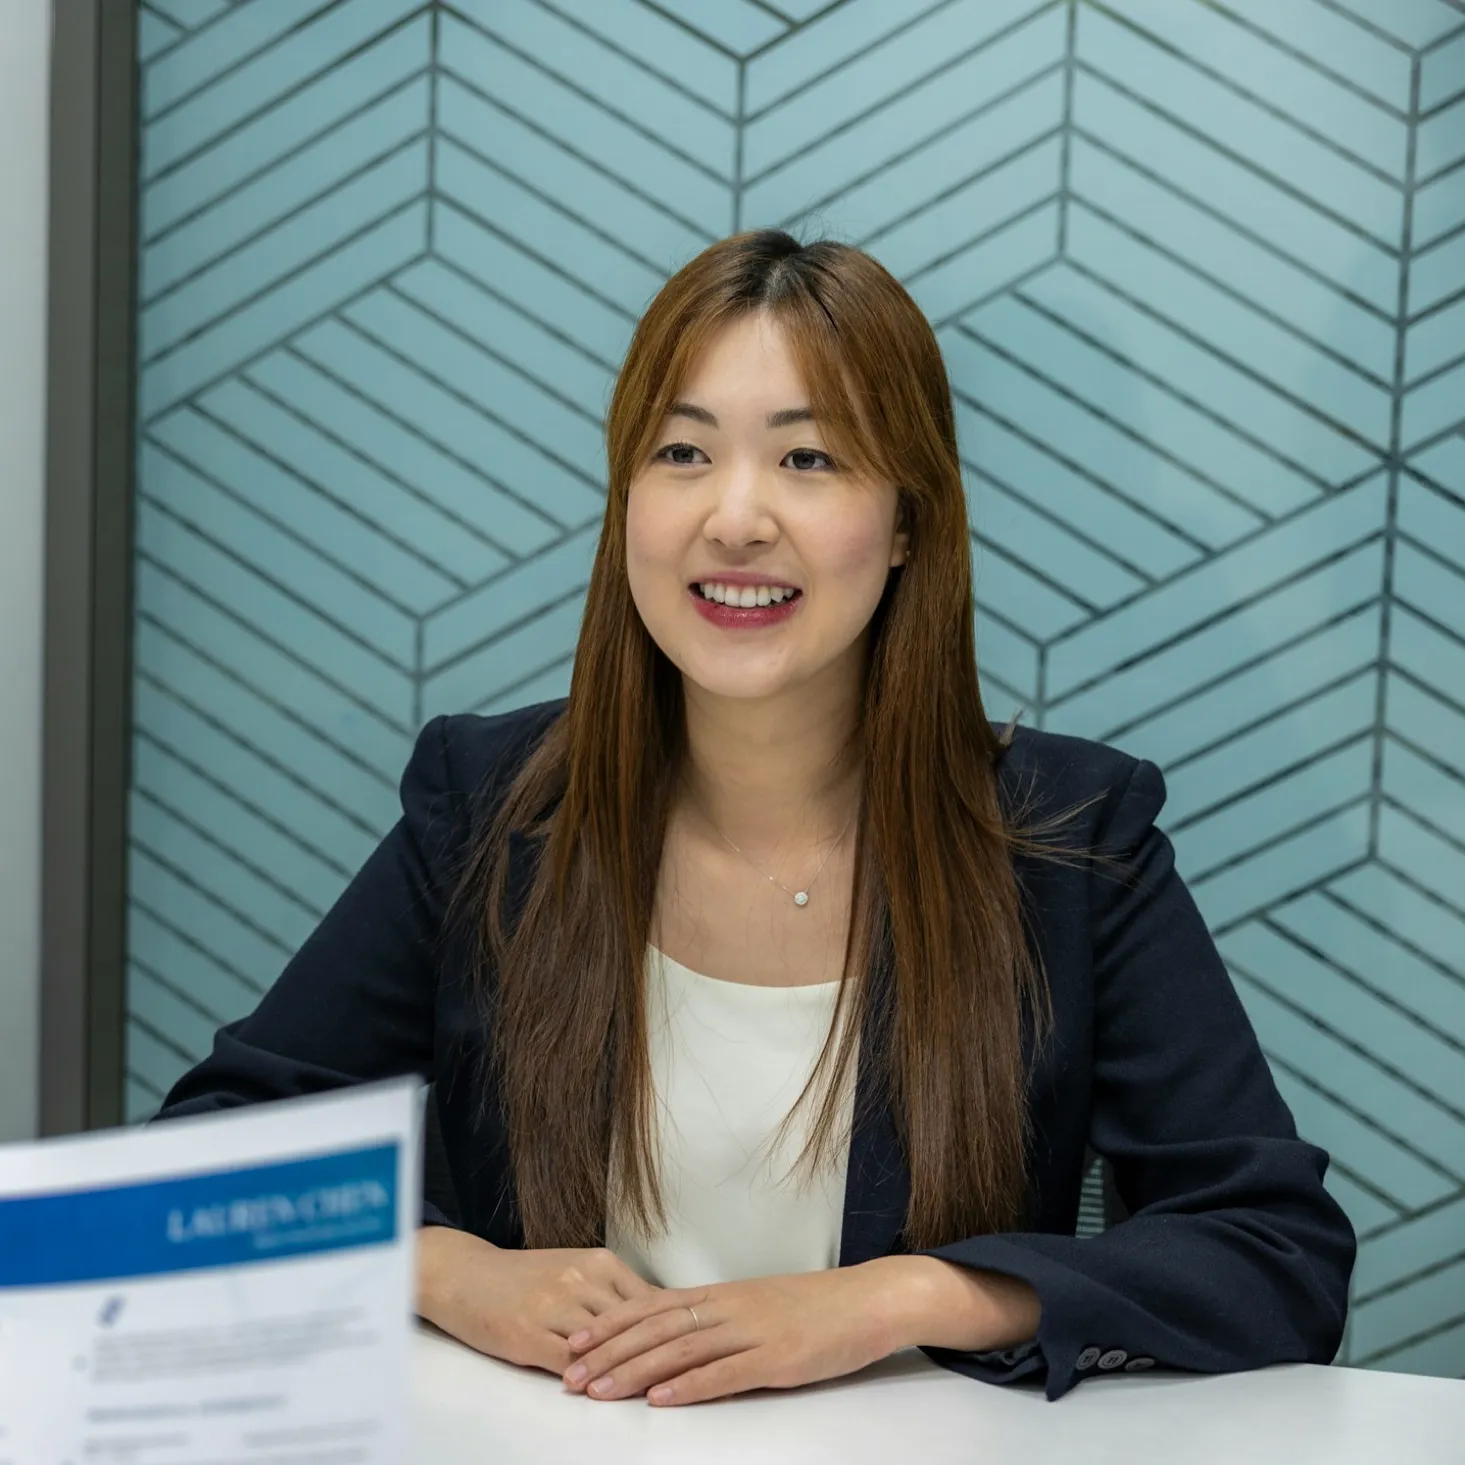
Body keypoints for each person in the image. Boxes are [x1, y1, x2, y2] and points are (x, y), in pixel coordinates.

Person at [154, 229, 1356, 1407]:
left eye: (809, 459)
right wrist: (453, 1272)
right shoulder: (488, 804)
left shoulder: (1070, 837)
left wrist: (901, 1297)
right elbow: (211, 1151)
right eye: (681, 453)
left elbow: (1272, 1254)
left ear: (906, 526)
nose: (734, 517)